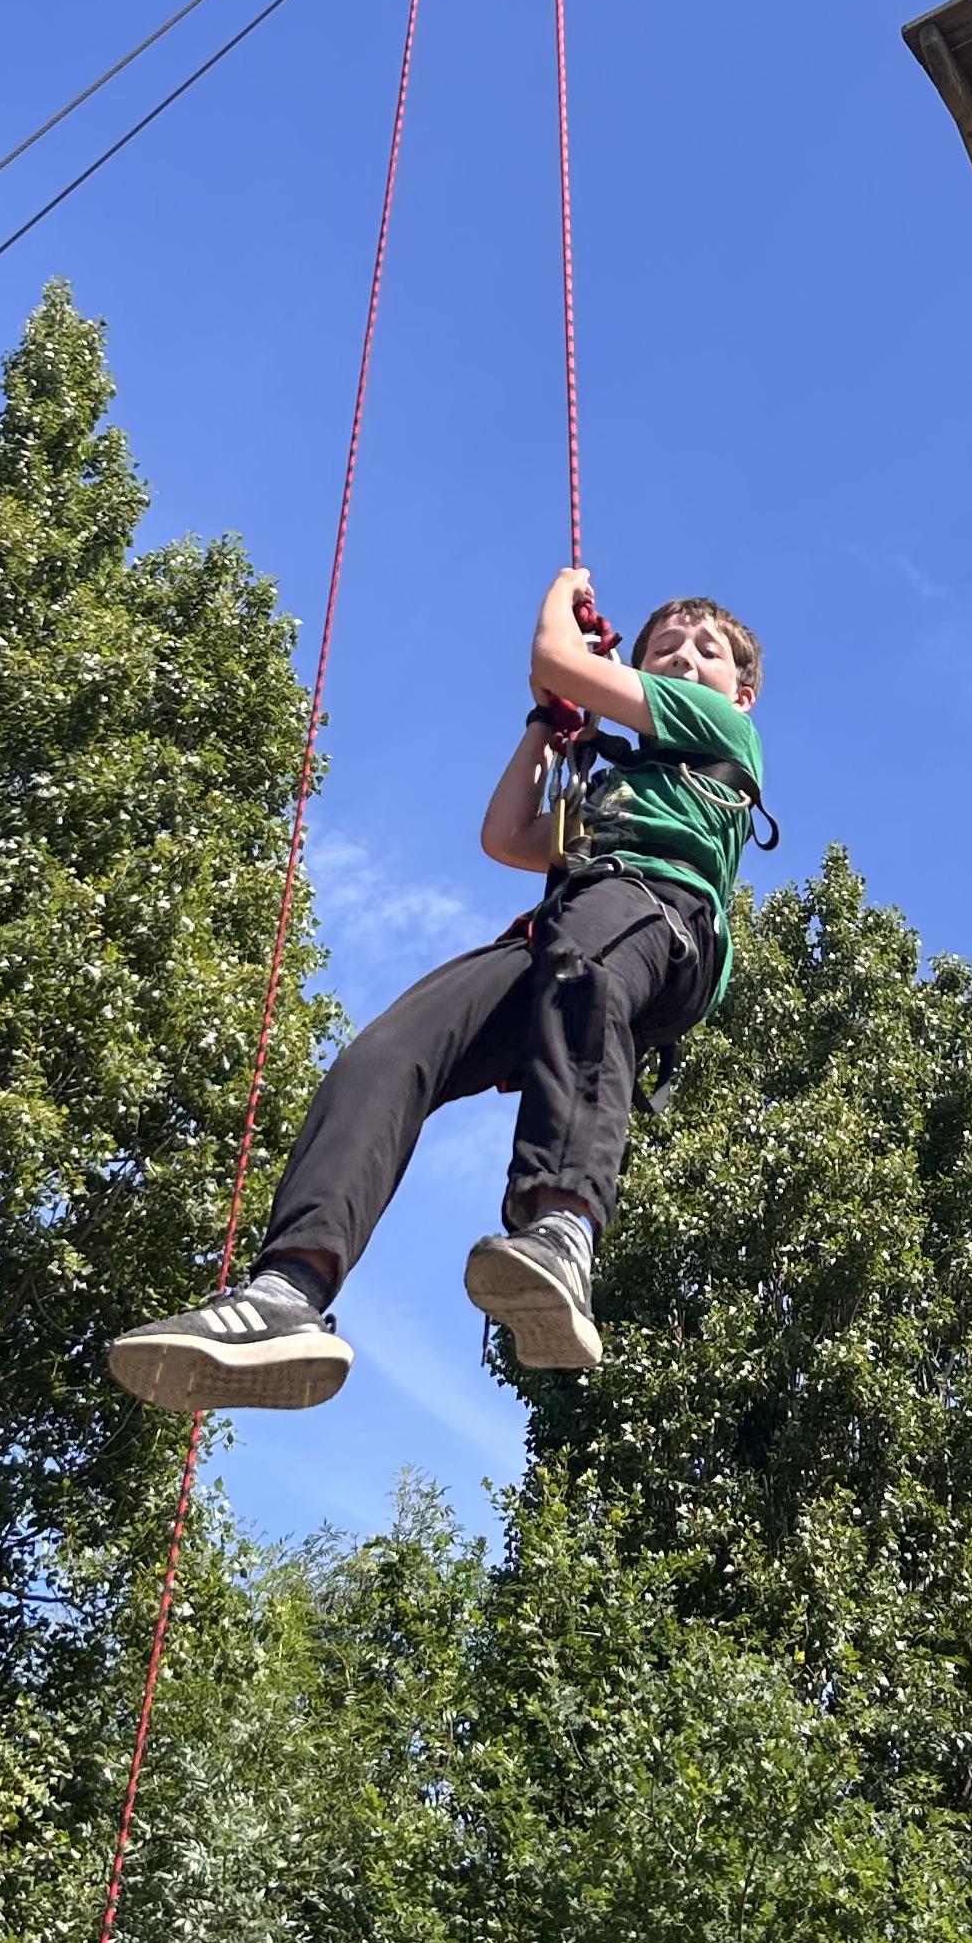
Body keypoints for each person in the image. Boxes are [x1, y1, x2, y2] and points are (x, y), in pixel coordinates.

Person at [106, 567, 767, 1417]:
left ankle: (562, 1224)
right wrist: (547, 726)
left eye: (705, 651)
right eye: (664, 647)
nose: (682, 658)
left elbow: (554, 657)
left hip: (660, 920)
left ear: (739, 694)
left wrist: (561, 600)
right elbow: (508, 835)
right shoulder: (612, 791)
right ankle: (287, 1290)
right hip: (574, 930)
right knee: (390, 1054)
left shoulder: (721, 731)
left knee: (587, 960)